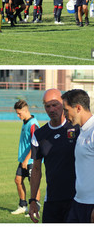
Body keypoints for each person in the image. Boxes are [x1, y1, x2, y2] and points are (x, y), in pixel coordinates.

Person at [28, 89, 79, 223]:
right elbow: (36, 169)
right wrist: (33, 200)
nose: (51, 109)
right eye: (47, 106)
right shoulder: (40, 135)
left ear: (63, 104)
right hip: (52, 200)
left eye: (55, 104)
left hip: (77, 199)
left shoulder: (78, 128)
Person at [62, 89, 94, 223]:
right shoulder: (82, 131)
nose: (64, 115)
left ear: (78, 108)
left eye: (66, 110)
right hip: (78, 202)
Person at [11, 100, 40, 215]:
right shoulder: (25, 122)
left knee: (33, 183)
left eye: (19, 113)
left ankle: (35, 207)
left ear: (26, 110)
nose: (18, 116)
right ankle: (23, 205)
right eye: (17, 114)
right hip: (24, 159)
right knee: (18, 180)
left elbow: (35, 143)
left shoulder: (33, 124)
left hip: (31, 160)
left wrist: (27, 160)